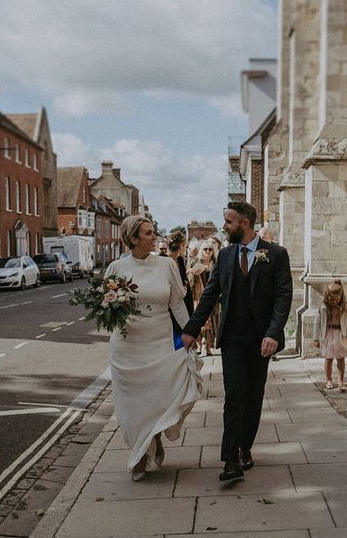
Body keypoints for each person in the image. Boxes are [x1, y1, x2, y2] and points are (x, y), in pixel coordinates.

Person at [182, 201, 292, 482]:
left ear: (244, 224)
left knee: (253, 397)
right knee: (233, 397)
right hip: (231, 338)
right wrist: (192, 329)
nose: (224, 227)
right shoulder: (226, 256)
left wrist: (273, 333)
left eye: (229, 222)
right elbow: (209, 295)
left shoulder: (276, 255)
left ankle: (245, 447)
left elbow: (283, 297)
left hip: (261, 340)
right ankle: (230, 460)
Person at [106, 216, 203, 481]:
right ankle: (138, 455)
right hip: (128, 346)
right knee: (133, 406)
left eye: (153, 232)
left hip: (158, 341)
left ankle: (154, 438)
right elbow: (106, 308)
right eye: (148, 233)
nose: (154, 236)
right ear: (133, 239)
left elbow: (177, 304)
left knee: (158, 399)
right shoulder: (116, 267)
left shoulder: (167, 264)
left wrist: (190, 332)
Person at [313, 279, 347, 391]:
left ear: (340, 296)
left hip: (340, 334)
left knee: (341, 358)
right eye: (331, 298)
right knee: (328, 358)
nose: (333, 301)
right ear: (327, 296)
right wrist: (316, 338)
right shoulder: (323, 307)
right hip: (328, 334)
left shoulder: (344, 307)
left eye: (336, 299)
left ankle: (341, 380)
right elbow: (317, 322)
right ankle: (329, 379)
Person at [187, 238, 218, 355]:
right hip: (198, 296)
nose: (208, 251)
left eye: (210, 249)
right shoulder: (194, 262)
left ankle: (208, 345)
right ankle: (200, 344)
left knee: (211, 322)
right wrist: (193, 273)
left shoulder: (215, 264)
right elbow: (188, 278)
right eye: (205, 249)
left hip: (212, 296)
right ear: (201, 250)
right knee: (199, 320)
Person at [166, 230, 194, 316]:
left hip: (183, 303)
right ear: (181, 246)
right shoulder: (164, 261)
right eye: (185, 246)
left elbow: (184, 279)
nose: (186, 248)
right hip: (169, 306)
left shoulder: (180, 260)